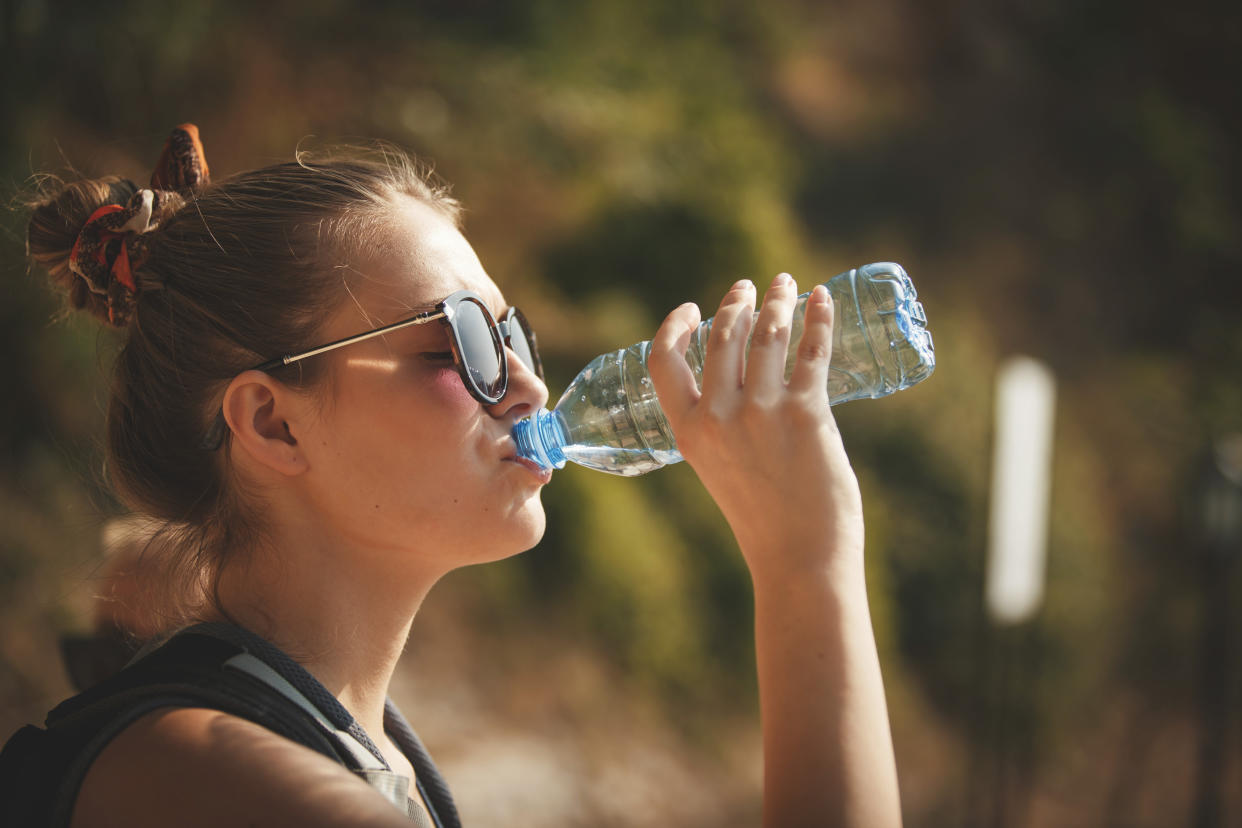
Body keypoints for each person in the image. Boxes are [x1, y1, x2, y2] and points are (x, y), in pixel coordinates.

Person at [4, 125, 902, 827]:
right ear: (272, 422)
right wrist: (806, 562)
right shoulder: (213, 773)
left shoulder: (358, 751)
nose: (529, 383)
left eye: (513, 335)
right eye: (467, 339)